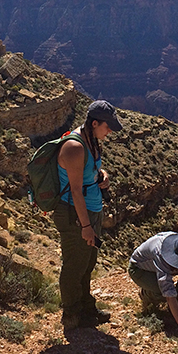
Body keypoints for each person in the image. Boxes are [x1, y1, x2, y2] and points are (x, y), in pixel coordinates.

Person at [55, 100, 122, 330]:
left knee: (88, 262)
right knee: (75, 265)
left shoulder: (92, 140)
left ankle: (86, 308)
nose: (110, 131)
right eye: (108, 126)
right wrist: (85, 226)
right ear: (94, 123)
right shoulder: (75, 147)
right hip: (75, 214)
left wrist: (103, 175)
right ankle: (71, 316)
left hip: (92, 209)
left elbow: (90, 171)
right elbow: (75, 190)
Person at [128, 232, 178, 342]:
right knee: (162, 292)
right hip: (140, 270)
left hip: (160, 267)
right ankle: (147, 294)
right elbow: (169, 293)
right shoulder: (161, 253)